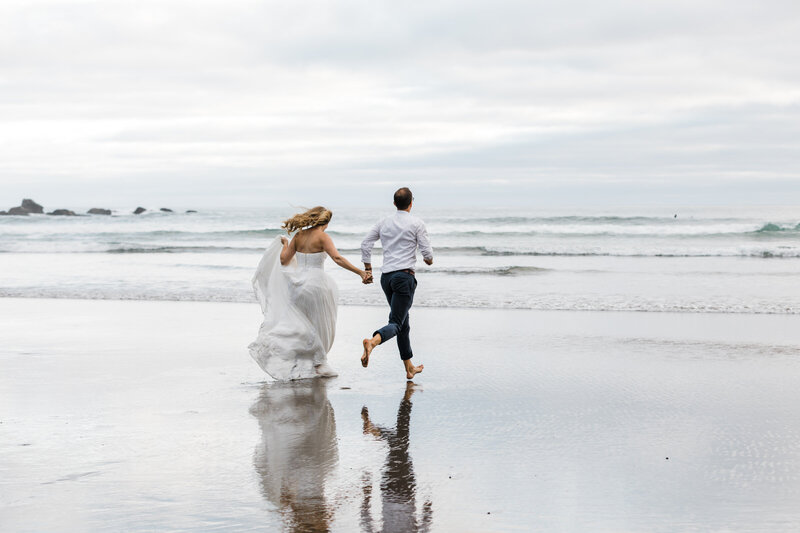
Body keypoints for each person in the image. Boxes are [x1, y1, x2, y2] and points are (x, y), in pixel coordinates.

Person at [249, 206, 371, 380]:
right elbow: (337, 258)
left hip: (297, 285)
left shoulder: (298, 236)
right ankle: (319, 363)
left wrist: (285, 245)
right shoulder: (323, 237)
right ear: (326, 222)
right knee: (319, 325)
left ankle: (304, 362)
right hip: (317, 285)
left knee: (301, 326)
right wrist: (360, 272)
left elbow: (284, 260)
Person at [360, 188, 433, 380]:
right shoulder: (417, 223)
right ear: (411, 203)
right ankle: (373, 342)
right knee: (396, 323)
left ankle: (409, 367)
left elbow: (365, 244)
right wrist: (428, 260)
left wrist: (368, 269)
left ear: (394, 203)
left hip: (387, 279)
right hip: (404, 278)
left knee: (403, 322)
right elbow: (428, 254)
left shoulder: (383, 222)